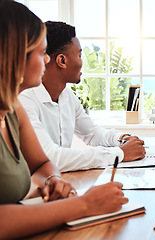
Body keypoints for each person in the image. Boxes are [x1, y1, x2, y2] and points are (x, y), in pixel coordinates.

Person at [0, 1, 127, 238]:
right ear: (15, 56)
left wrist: (52, 180)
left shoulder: (13, 108)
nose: (47, 60)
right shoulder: (25, 101)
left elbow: (41, 164)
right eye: (41, 53)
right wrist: (84, 205)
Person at [19, 21, 146, 172]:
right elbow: (51, 157)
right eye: (79, 55)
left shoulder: (66, 95)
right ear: (62, 61)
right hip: (33, 189)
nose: (82, 62)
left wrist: (122, 138)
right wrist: (119, 154)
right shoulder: (25, 100)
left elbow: (92, 133)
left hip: (60, 182)